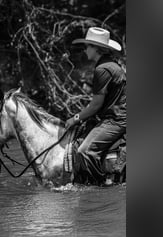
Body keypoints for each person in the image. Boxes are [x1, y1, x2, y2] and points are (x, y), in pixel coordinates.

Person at [65, 27, 126, 185]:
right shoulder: (110, 64)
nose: (85, 50)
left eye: (88, 46)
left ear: (96, 49)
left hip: (117, 120)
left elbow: (95, 105)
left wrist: (75, 118)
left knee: (85, 151)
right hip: (118, 116)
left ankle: (98, 188)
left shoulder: (102, 69)